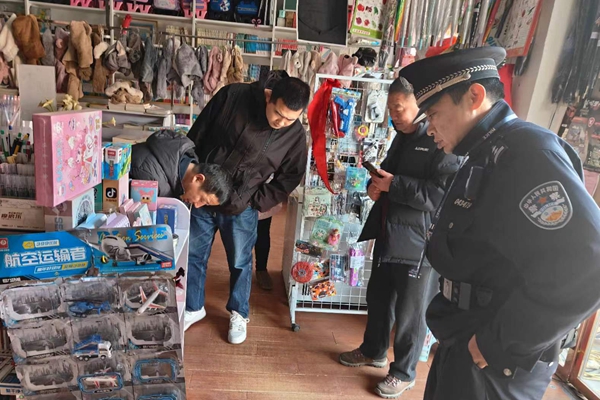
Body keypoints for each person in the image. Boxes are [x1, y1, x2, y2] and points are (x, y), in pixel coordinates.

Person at [398, 47, 600, 400]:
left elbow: (589, 264)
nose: (429, 129)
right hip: (465, 334)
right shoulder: (485, 150)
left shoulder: (527, 153)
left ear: (474, 96)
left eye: (434, 114)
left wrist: (498, 342)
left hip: (495, 355)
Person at [338, 77, 460, 399]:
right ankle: (373, 350)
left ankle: (404, 373)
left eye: (399, 108)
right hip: (389, 232)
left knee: (411, 313)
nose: (393, 115)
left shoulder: (440, 140)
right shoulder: (401, 137)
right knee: (378, 298)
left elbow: (440, 196)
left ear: (419, 105)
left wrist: (394, 185)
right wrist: (374, 187)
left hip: (419, 243)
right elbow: (387, 174)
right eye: (390, 108)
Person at [184, 77, 310, 345]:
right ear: (269, 96)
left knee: (240, 262)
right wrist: (191, 176)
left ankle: (239, 312)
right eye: (278, 114)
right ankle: (193, 307)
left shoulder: (294, 135)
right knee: (193, 253)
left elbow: (290, 176)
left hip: (242, 205)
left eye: (290, 119)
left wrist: (257, 201)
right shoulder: (233, 96)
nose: (281, 122)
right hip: (204, 194)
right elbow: (197, 134)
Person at [129, 129, 232, 207]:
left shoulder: (180, 178)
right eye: (202, 200)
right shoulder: (151, 178)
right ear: (198, 178)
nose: (197, 205)